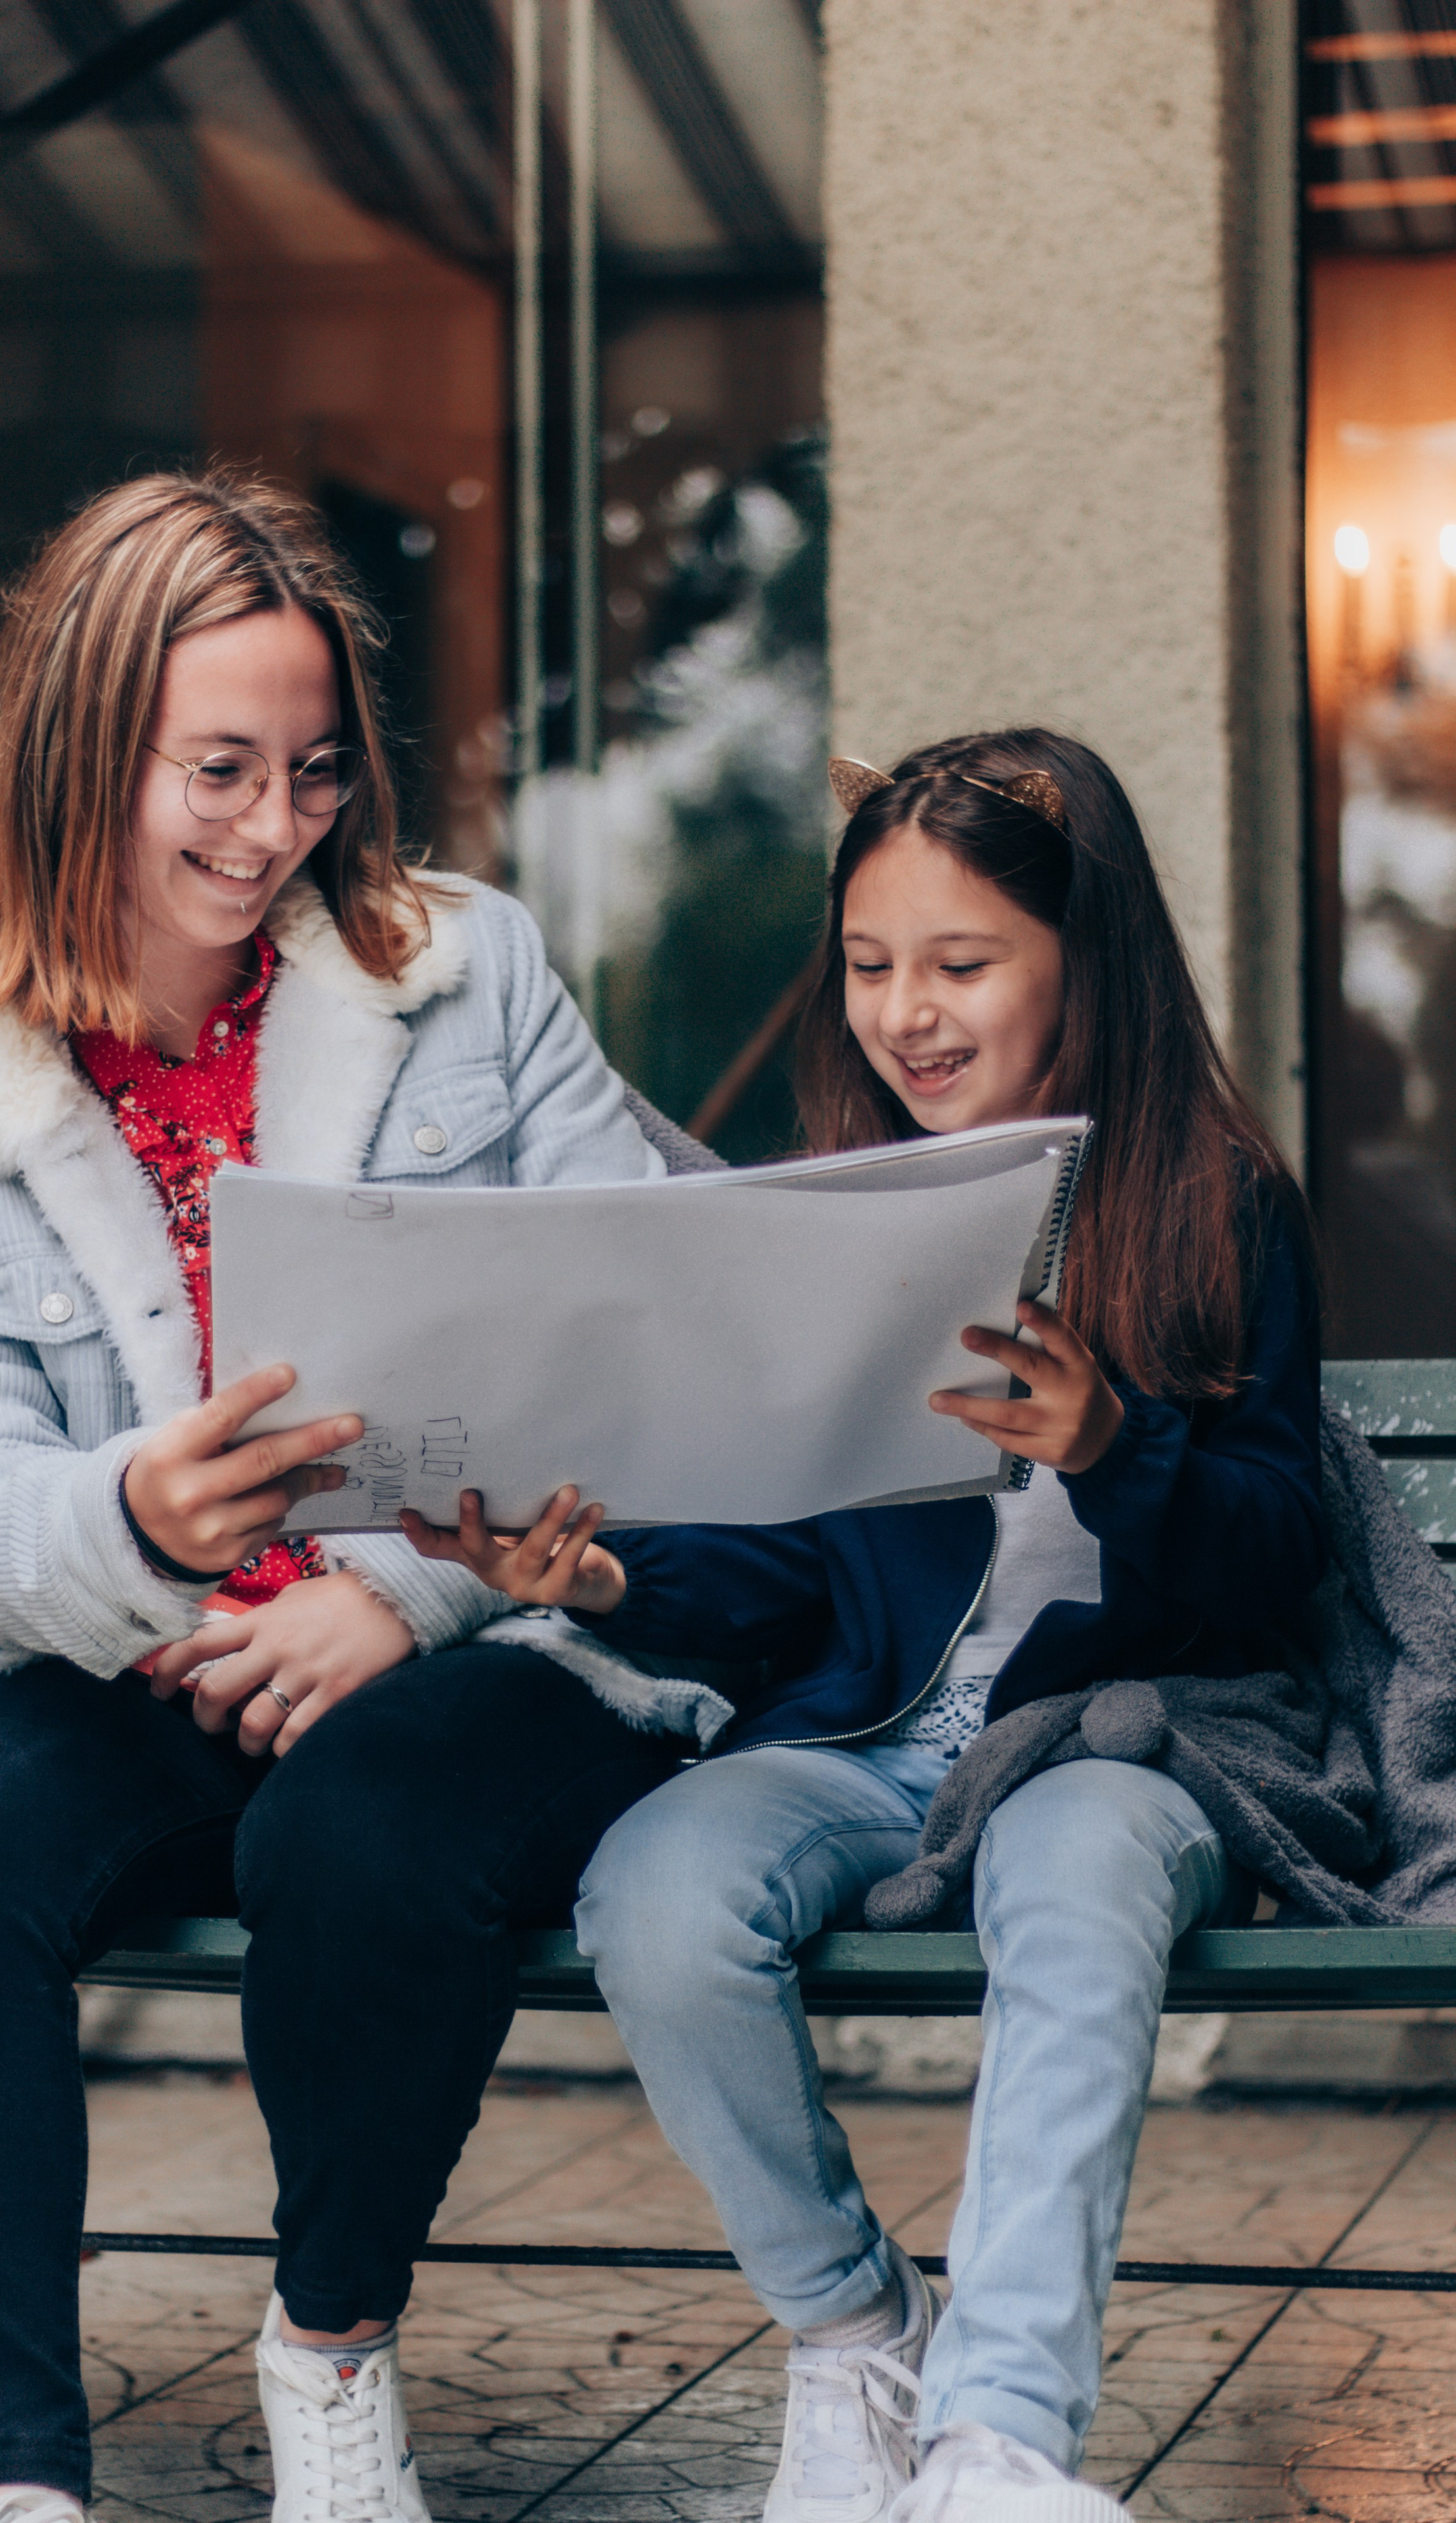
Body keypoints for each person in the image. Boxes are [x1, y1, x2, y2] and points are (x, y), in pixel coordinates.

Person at [0, 470, 714, 2523]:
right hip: (148, 1649)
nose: (270, 826)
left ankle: (326, 2354)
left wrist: (405, 1600)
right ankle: (10, 2489)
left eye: (314, 772)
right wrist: (140, 1523)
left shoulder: (465, 969)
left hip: (465, 1641)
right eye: (215, 770)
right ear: (81, 748)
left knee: (366, 1816)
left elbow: (647, 1328)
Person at [406, 731, 1326, 2523]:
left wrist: (1117, 1451)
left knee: (1070, 1876)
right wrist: (603, 1583)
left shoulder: (1213, 1200)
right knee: (657, 1894)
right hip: (877, 1732)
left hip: (1127, 1737)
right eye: (871, 964)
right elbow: (783, 1574)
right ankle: (854, 2331)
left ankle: (996, 2440)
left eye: (963, 965)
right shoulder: (835, 1206)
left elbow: (1278, 1562)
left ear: (1089, 958)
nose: (907, 1012)